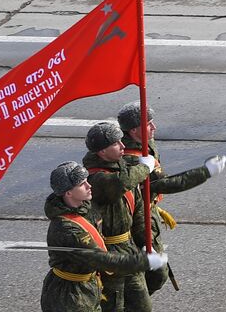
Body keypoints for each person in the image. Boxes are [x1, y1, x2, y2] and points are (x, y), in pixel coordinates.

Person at [117, 102, 226, 302]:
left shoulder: (145, 143)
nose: (154, 127)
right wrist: (205, 172)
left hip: (148, 211)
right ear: (133, 130)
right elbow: (166, 184)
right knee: (156, 275)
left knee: (151, 273)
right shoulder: (133, 159)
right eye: (149, 124)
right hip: (140, 222)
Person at [40, 161, 164, 312]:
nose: (89, 186)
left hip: (89, 287)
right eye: (82, 184)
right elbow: (102, 259)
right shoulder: (66, 228)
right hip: (70, 296)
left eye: (87, 181)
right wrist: (143, 261)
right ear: (68, 193)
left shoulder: (86, 208)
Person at [81, 121, 154, 312]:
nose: (123, 146)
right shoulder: (94, 178)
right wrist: (145, 169)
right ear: (102, 152)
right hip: (109, 252)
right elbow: (119, 184)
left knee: (142, 306)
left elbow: (137, 211)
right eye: (116, 144)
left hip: (129, 248)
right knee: (113, 306)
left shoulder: (123, 167)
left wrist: (146, 241)